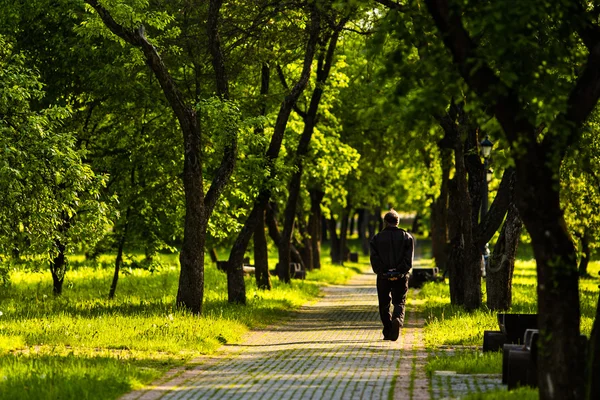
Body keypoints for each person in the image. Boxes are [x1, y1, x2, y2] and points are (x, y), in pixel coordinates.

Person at [369, 209, 414, 341]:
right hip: (401, 277)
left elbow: (374, 258)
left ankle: (388, 330)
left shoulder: (376, 238)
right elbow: (408, 260)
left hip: (383, 277)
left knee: (384, 304)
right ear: (397, 222)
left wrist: (384, 272)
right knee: (399, 301)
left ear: (385, 222)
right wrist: (399, 271)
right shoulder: (407, 237)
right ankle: (397, 319)